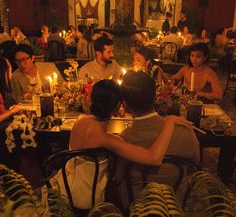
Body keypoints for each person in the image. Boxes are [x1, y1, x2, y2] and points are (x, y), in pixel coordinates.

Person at [45, 79, 193, 209]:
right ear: (118, 107)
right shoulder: (108, 140)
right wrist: (170, 121)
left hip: (62, 188)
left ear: (90, 100)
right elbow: (154, 158)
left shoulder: (80, 122)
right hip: (86, 198)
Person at [115, 70, 199, 203]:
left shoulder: (124, 139)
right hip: (174, 203)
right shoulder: (186, 130)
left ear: (124, 105)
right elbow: (194, 168)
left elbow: (118, 177)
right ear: (155, 96)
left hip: (139, 205)